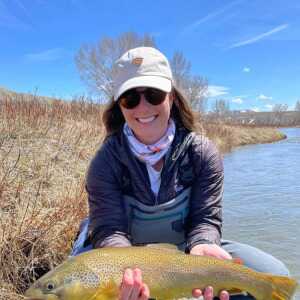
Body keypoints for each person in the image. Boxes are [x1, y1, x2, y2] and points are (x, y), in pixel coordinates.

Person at [72, 47, 290, 300]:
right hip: (127, 257)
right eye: (130, 98)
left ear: (172, 98)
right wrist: (128, 274)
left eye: (153, 94)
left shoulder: (202, 152)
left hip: (187, 253)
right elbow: (109, 230)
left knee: (273, 273)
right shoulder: (105, 161)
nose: (142, 107)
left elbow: (205, 218)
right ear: (119, 106)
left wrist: (204, 243)